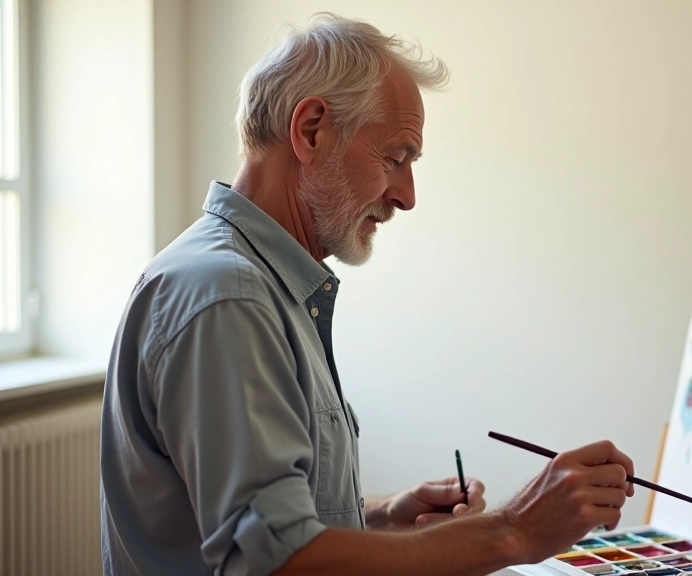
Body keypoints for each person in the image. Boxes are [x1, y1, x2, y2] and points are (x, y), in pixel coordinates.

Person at [100, 13, 636, 576]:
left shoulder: (260, 284)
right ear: (310, 130)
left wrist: (378, 515)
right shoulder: (228, 297)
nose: (406, 196)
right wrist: (514, 530)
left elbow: (260, 518)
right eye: (396, 158)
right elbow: (280, 563)